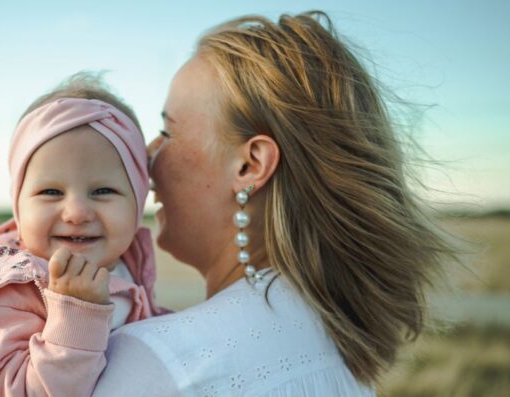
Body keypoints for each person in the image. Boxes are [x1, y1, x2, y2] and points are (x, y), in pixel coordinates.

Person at [93, 11, 456, 396]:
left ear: (250, 165)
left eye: (168, 131)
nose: (147, 156)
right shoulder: (334, 344)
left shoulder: (160, 364)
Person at [0, 74, 165, 396]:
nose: (77, 212)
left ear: (137, 202)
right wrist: (77, 311)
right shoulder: (7, 288)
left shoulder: (127, 265)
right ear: (18, 205)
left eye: (103, 190)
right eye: (51, 191)